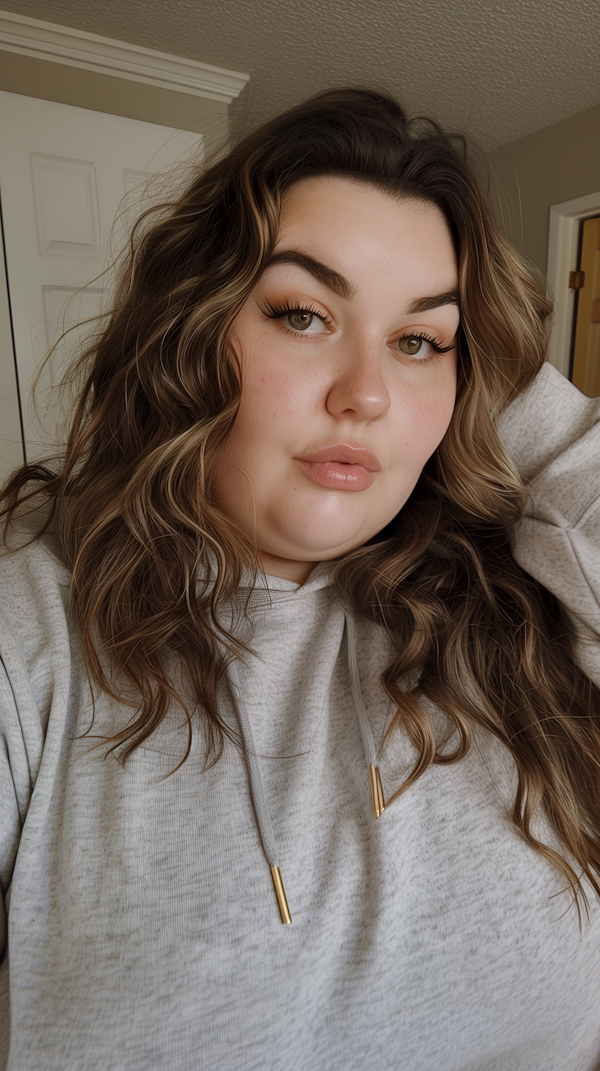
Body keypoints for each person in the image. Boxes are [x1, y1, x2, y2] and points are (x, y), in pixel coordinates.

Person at [1, 87, 600, 1071]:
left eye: (419, 340)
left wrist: (507, 393)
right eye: (302, 314)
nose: (366, 393)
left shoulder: (523, 606)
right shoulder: (33, 633)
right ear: (187, 339)